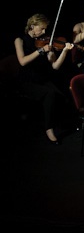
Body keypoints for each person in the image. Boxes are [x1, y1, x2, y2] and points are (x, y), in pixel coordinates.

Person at [14, 13, 75, 144]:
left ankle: (62, 124)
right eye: (41, 28)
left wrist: (64, 51)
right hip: (26, 81)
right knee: (50, 93)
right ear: (32, 26)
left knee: (62, 95)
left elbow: (55, 66)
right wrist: (41, 51)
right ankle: (49, 129)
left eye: (45, 29)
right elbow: (22, 61)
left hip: (42, 79)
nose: (44, 31)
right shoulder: (20, 40)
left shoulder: (45, 42)